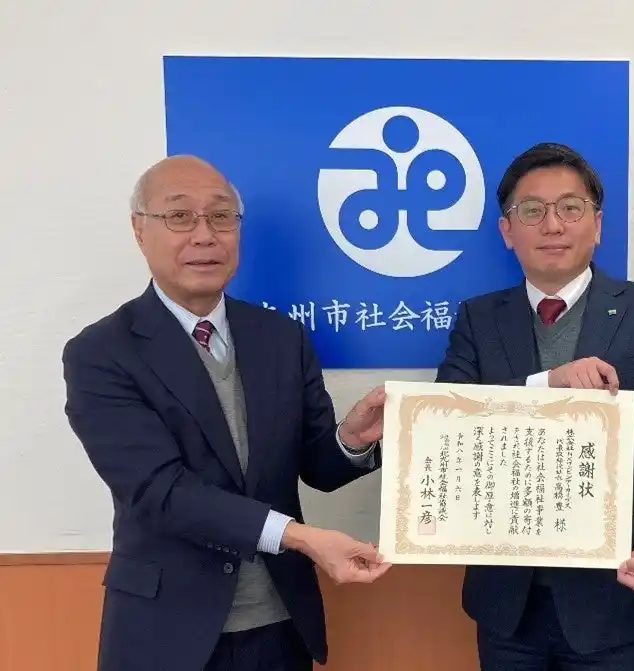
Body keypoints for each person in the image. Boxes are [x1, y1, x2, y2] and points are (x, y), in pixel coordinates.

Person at [62, 155, 391, 671]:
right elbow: (158, 491)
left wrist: (351, 439)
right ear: (139, 230)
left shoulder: (280, 337)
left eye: (221, 216)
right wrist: (299, 537)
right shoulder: (101, 352)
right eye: (179, 216)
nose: (204, 235)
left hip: (280, 625)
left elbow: (316, 467)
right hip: (166, 630)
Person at [435, 142, 634, 670]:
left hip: (619, 594)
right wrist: (548, 384)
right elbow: (446, 425)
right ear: (506, 231)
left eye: (570, 207)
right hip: (506, 603)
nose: (553, 225)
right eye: (532, 211)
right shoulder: (478, 318)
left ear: (597, 224)